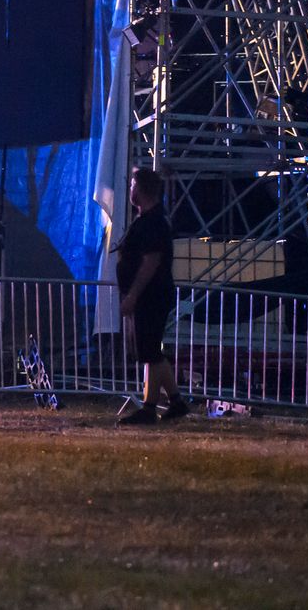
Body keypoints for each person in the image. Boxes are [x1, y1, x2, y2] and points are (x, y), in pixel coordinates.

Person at [116, 168, 185, 424]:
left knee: (150, 352)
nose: (130, 189)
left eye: (133, 184)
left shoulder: (153, 222)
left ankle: (148, 407)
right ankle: (176, 402)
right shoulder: (148, 219)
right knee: (151, 350)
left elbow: (151, 261)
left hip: (150, 295)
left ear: (141, 188)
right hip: (150, 294)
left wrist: (133, 294)